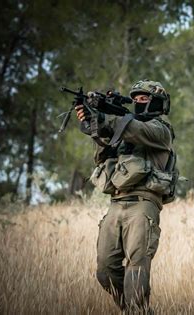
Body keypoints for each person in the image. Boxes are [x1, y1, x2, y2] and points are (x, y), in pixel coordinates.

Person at [75, 79, 176, 312]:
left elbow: (135, 129)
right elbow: (102, 157)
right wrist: (94, 124)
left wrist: (106, 118)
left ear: (157, 102)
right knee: (105, 271)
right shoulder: (123, 128)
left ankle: (136, 308)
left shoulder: (161, 130)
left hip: (143, 205)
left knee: (136, 271)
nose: (138, 102)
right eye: (136, 99)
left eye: (144, 98)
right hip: (116, 203)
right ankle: (135, 310)